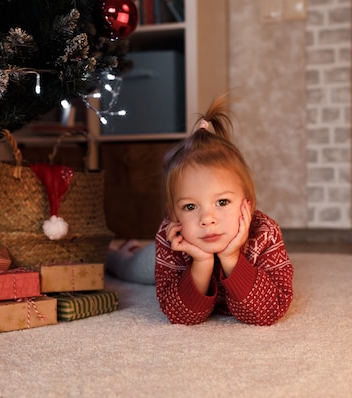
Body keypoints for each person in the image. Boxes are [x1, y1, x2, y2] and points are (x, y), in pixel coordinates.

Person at [106, 93, 294, 326]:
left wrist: (230, 257)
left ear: (248, 204)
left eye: (222, 202)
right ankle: (115, 254)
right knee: (130, 268)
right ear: (173, 214)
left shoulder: (264, 233)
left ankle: (129, 248)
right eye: (190, 206)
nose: (207, 219)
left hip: (223, 247)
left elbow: (267, 312)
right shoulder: (172, 236)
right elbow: (181, 316)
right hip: (168, 253)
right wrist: (202, 262)